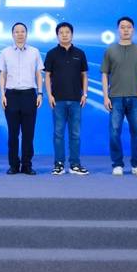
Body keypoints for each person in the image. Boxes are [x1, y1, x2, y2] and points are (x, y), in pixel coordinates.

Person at [102, 16, 137, 176]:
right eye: (122, 27)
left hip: (136, 97)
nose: (125, 30)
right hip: (115, 98)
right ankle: (117, 164)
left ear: (133, 30)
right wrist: (105, 96)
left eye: (128, 27)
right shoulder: (110, 50)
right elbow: (105, 74)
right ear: (118, 30)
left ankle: (136, 165)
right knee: (114, 132)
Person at [43, 22, 89, 176]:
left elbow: (84, 75)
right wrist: (49, 95)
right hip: (58, 100)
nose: (64, 35)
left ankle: (75, 164)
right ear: (57, 35)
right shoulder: (52, 54)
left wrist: (85, 94)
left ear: (72, 34)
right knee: (58, 134)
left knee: (75, 134)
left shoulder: (80, 53)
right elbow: (47, 76)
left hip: (76, 99)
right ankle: (59, 164)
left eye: (67, 32)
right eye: (61, 32)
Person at [0, 22, 44, 175]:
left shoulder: (34, 52)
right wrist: (2, 94)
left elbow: (39, 74)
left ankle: (27, 165)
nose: (20, 34)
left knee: (28, 134)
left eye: (22, 31)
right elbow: (3, 74)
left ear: (26, 33)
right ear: (12, 34)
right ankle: (13, 165)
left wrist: (40, 93)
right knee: (13, 134)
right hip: (11, 95)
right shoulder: (5, 52)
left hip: (29, 95)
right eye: (17, 31)